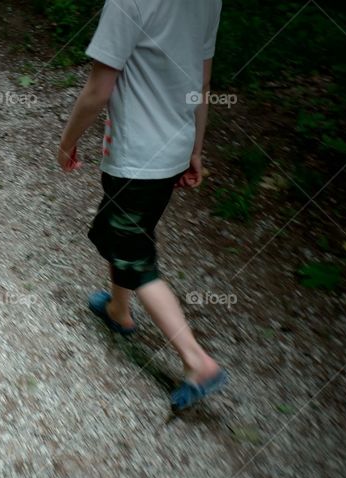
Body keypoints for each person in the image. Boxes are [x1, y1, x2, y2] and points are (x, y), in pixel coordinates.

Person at [57, 0, 228, 412]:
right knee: (125, 231)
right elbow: (201, 84)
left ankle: (196, 360)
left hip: (137, 156)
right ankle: (119, 309)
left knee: (135, 254)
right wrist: (196, 149)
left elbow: (99, 89)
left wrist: (67, 141)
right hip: (171, 150)